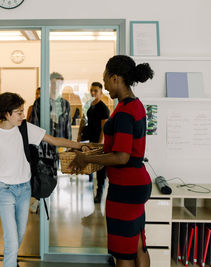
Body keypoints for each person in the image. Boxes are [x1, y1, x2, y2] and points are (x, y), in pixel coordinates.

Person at [0, 92, 87, 267]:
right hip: (4, 191)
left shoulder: (25, 128)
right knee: (11, 240)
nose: (22, 115)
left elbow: (54, 141)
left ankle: (11, 261)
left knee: (18, 236)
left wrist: (80, 145)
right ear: (6, 114)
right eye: (18, 112)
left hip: (24, 190)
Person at [70, 55, 154, 267]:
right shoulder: (135, 105)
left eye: (105, 79)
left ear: (115, 78)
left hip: (125, 188)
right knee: (137, 244)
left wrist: (86, 158)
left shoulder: (125, 111)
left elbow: (122, 156)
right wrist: (92, 150)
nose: (105, 85)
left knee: (123, 253)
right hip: (136, 184)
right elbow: (120, 148)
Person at [29, 72, 71, 213]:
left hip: (56, 146)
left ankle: (46, 199)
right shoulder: (40, 102)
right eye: (53, 83)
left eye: (59, 83)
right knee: (39, 172)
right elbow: (34, 124)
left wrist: (68, 146)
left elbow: (67, 127)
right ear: (50, 84)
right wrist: (33, 146)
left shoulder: (65, 104)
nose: (56, 86)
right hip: (42, 145)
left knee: (53, 174)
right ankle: (38, 199)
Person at [77, 82, 110, 203]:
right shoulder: (90, 106)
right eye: (91, 90)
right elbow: (86, 122)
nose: (93, 93)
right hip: (91, 140)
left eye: (96, 91)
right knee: (92, 163)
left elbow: (104, 129)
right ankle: (91, 177)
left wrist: (99, 145)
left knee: (101, 169)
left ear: (101, 93)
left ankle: (100, 192)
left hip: (100, 143)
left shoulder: (103, 108)